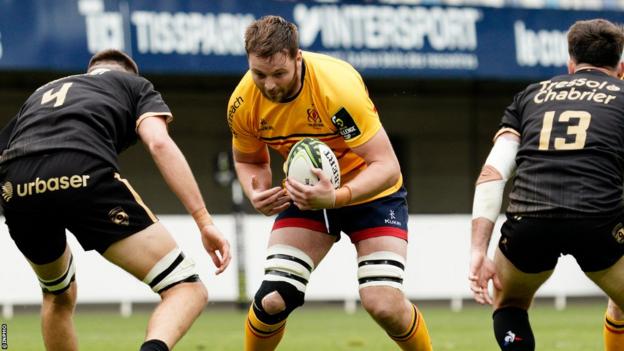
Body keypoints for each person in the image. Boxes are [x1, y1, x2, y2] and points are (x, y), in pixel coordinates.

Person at [0, 49, 231, 351]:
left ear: (90, 71)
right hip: (81, 171)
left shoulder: (42, 92)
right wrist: (203, 221)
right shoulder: (135, 85)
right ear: (126, 73)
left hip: (16, 186)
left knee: (57, 295)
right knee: (186, 288)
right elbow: (159, 142)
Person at [227, 15, 432, 351]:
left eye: (279, 73)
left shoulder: (336, 89)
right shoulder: (242, 102)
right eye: (259, 74)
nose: (270, 85)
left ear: (298, 57)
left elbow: (387, 166)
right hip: (307, 195)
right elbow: (249, 159)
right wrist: (256, 190)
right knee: (273, 300)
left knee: (383, 304)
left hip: (372, 195)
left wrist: (338, 196)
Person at [469, 18, 624, 351]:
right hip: (598, 220)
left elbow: (493, 173)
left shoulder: (530, 96)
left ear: (570, 65)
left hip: (529, 220)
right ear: (620, 68)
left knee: (509, 305)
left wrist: (478, 251)